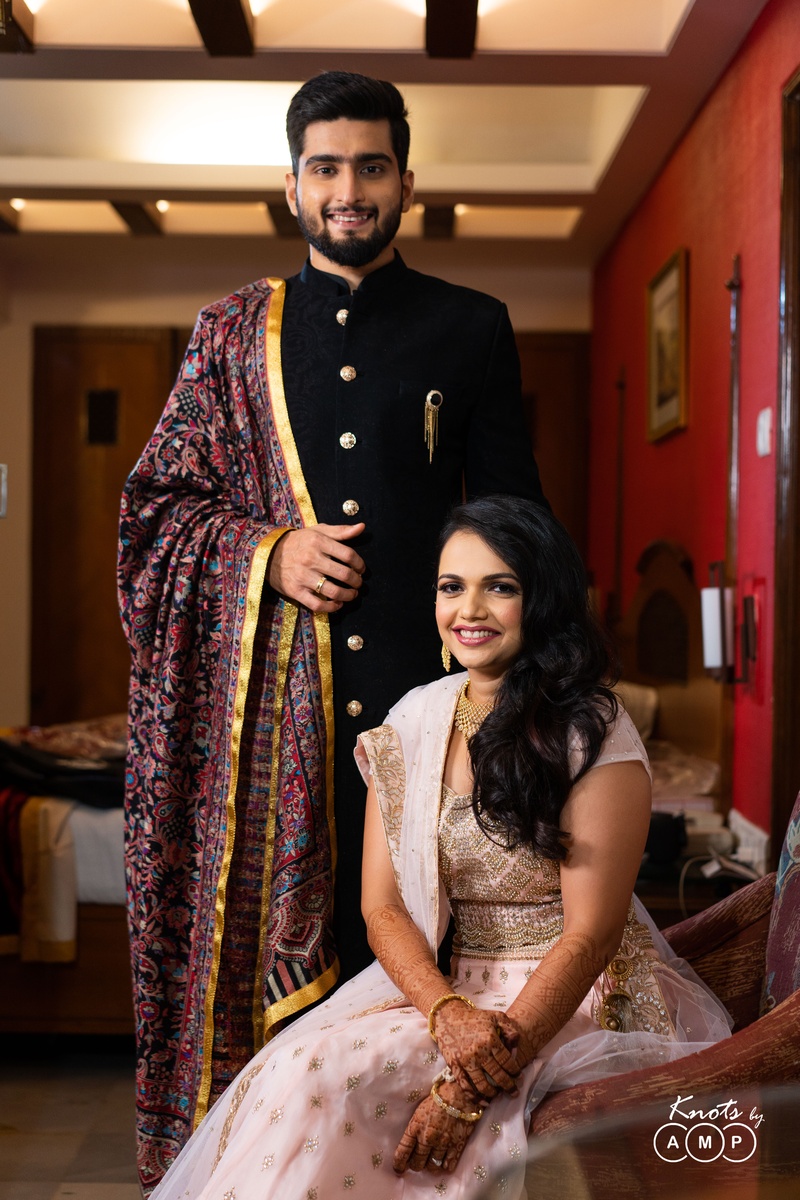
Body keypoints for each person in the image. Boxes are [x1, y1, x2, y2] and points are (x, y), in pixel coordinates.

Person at [117, 72, 547, 1192]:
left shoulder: (470, 329)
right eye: (324, 167)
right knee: (293, 1054)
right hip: (270, 765)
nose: (347, 190)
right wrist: (267, 552)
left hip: (432, 735)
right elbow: (153, 517)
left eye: (369, 166)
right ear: (291, 183)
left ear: (406, 177)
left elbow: (519, 530)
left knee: (422, 1031)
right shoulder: (226, 339)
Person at [148, 496, 732, 1200]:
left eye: (501, 586)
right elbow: (383, 907)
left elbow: (591, 936)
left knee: (373, 1097)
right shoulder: (415, 721)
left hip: (577, 1001)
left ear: (541, 598)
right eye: (452, 586)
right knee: (301, 1069)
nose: (469, 609)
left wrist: (469, 1087)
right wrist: (448, 1014)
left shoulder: (592, 732)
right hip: (449, 995)